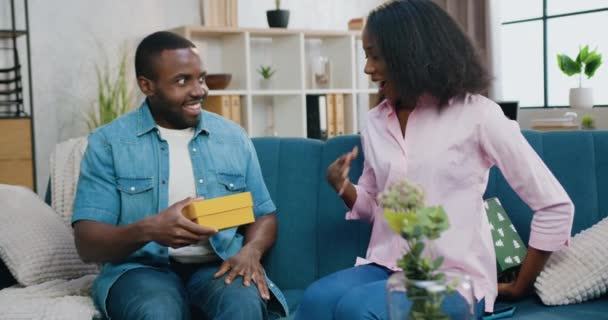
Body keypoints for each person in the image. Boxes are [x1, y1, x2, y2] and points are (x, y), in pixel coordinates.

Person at [295, 0, 574, 319]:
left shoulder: (477, 114)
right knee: (316, 299)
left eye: (375, 55)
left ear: (409, 53)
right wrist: (343, 187)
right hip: (387, 267)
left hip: (455, 278)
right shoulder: (375, 122)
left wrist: (523, 283)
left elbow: (554, 205)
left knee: (357, 309)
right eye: (366, 56)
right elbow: (377, 206)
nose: (367, 69)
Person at [71, 31, 288, 320]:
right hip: (140, 270)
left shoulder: (232, 137)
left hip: (218, 264)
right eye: (182, 81)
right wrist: (149, 230)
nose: (199, 90)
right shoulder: (109, 143)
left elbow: (264, 214)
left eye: (201, 78)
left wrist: (252, 250)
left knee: (244, 305)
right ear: (147, 85)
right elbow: (87, 242)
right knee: (157, 311)